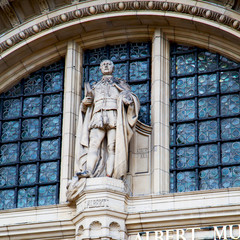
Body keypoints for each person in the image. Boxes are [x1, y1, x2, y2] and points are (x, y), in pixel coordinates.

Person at [75, 60, 140, 179]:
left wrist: (127, 100)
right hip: (97, 116)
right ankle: (89, 170)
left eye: (108, 64)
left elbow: (129, 97)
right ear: (100, 68)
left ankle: (110, 175)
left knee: (112, 147)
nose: (106, 66)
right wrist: (84, 103)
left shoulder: (120, 84)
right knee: (93, 144)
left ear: (113, 68)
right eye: (103, 64)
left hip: (113, 116)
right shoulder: (95, 86)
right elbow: (86, 106)